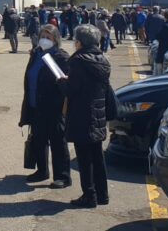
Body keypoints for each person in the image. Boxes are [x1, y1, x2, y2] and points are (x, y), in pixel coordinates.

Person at [57, 24, 112, 208]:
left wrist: (62, 82)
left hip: (82, 113)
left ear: (79, 42)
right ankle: (102, 194)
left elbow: (72, 90)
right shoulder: (102, 59)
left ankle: (89, 195)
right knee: (97, 155)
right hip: (98, 112)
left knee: (84, 158)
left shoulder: (78, 60)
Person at [20, 24, 72, 188]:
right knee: (39, 139)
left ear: (55, 40)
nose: (44, 40)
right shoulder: (36, 53)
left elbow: (67, 83)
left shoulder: (61, 57)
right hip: (35, 104)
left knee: (58, 142)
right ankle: (42, 171)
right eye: (42, 36)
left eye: (48, 37)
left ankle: (62, 176)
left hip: (54, 106)